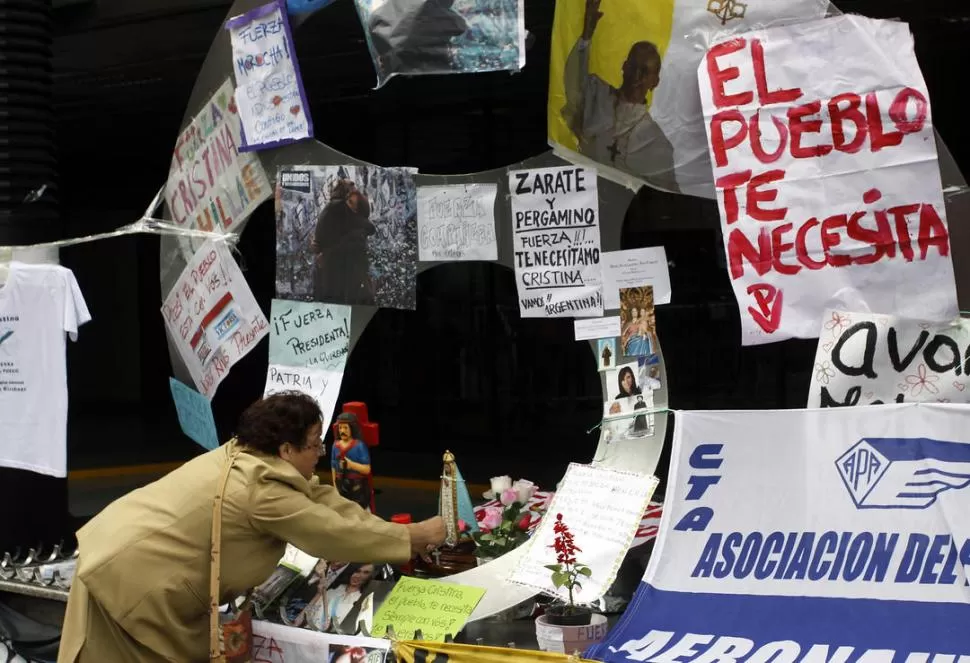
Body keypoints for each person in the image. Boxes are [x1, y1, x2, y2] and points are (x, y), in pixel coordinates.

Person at [58, 392, 445, 662]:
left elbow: (324, 502)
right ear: (286, 450)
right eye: (314, 444)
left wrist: (391, 533)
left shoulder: (249, 456)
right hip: (128, 581)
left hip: (118, 559)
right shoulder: (262, 490)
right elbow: (330, 532)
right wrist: (414, 537)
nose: (320, 454)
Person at [562, 0, 680, 192]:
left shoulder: (657, 142)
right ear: (624, 67)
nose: (637, 76)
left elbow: (666, 194)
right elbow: (572, 83)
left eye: (645, 71)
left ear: (655, 82)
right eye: (634, 66)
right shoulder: (597, 94)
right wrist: (586, 36)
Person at [310, 179, 376, 305]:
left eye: (351, 202)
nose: (347, 203)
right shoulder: (339, 210)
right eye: (348, 199)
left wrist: (324, 252)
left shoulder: (354, 230)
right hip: (337, 283)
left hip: (344, 286)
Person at [331, 412, 373, 511]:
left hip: (358, 488)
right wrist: (335, 487)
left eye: (345, 428)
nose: (342, 431)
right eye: (340, 428)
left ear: (352, 429)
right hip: (342, 488)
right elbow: (333, 467)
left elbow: (367, 469)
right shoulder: (335, 446)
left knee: (363, 513)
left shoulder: (359, 446)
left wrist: (351, 465)